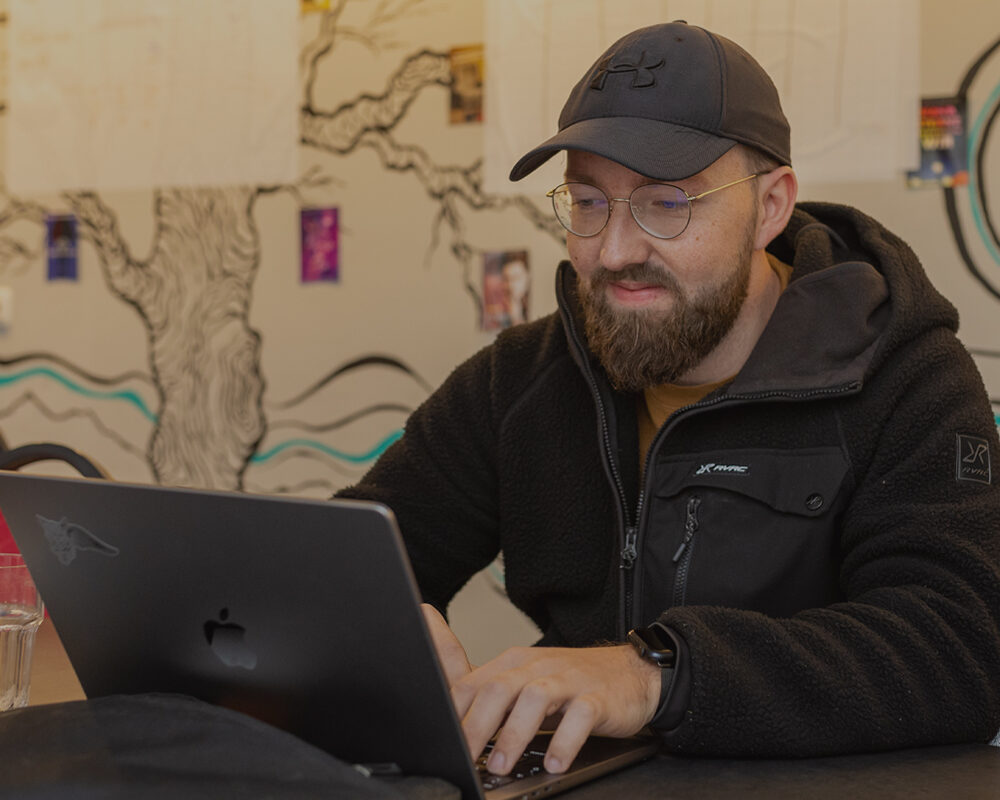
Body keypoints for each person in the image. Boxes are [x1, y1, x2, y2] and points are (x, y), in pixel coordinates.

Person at [338, 21, 1000, 776]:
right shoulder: (520, 381)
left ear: (772, 205)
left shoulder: (905, 375)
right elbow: (343, 552)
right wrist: (369, 616)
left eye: (666, 204)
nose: (615, 251)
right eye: (588, 204)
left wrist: (652, 673)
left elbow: (960, 651)